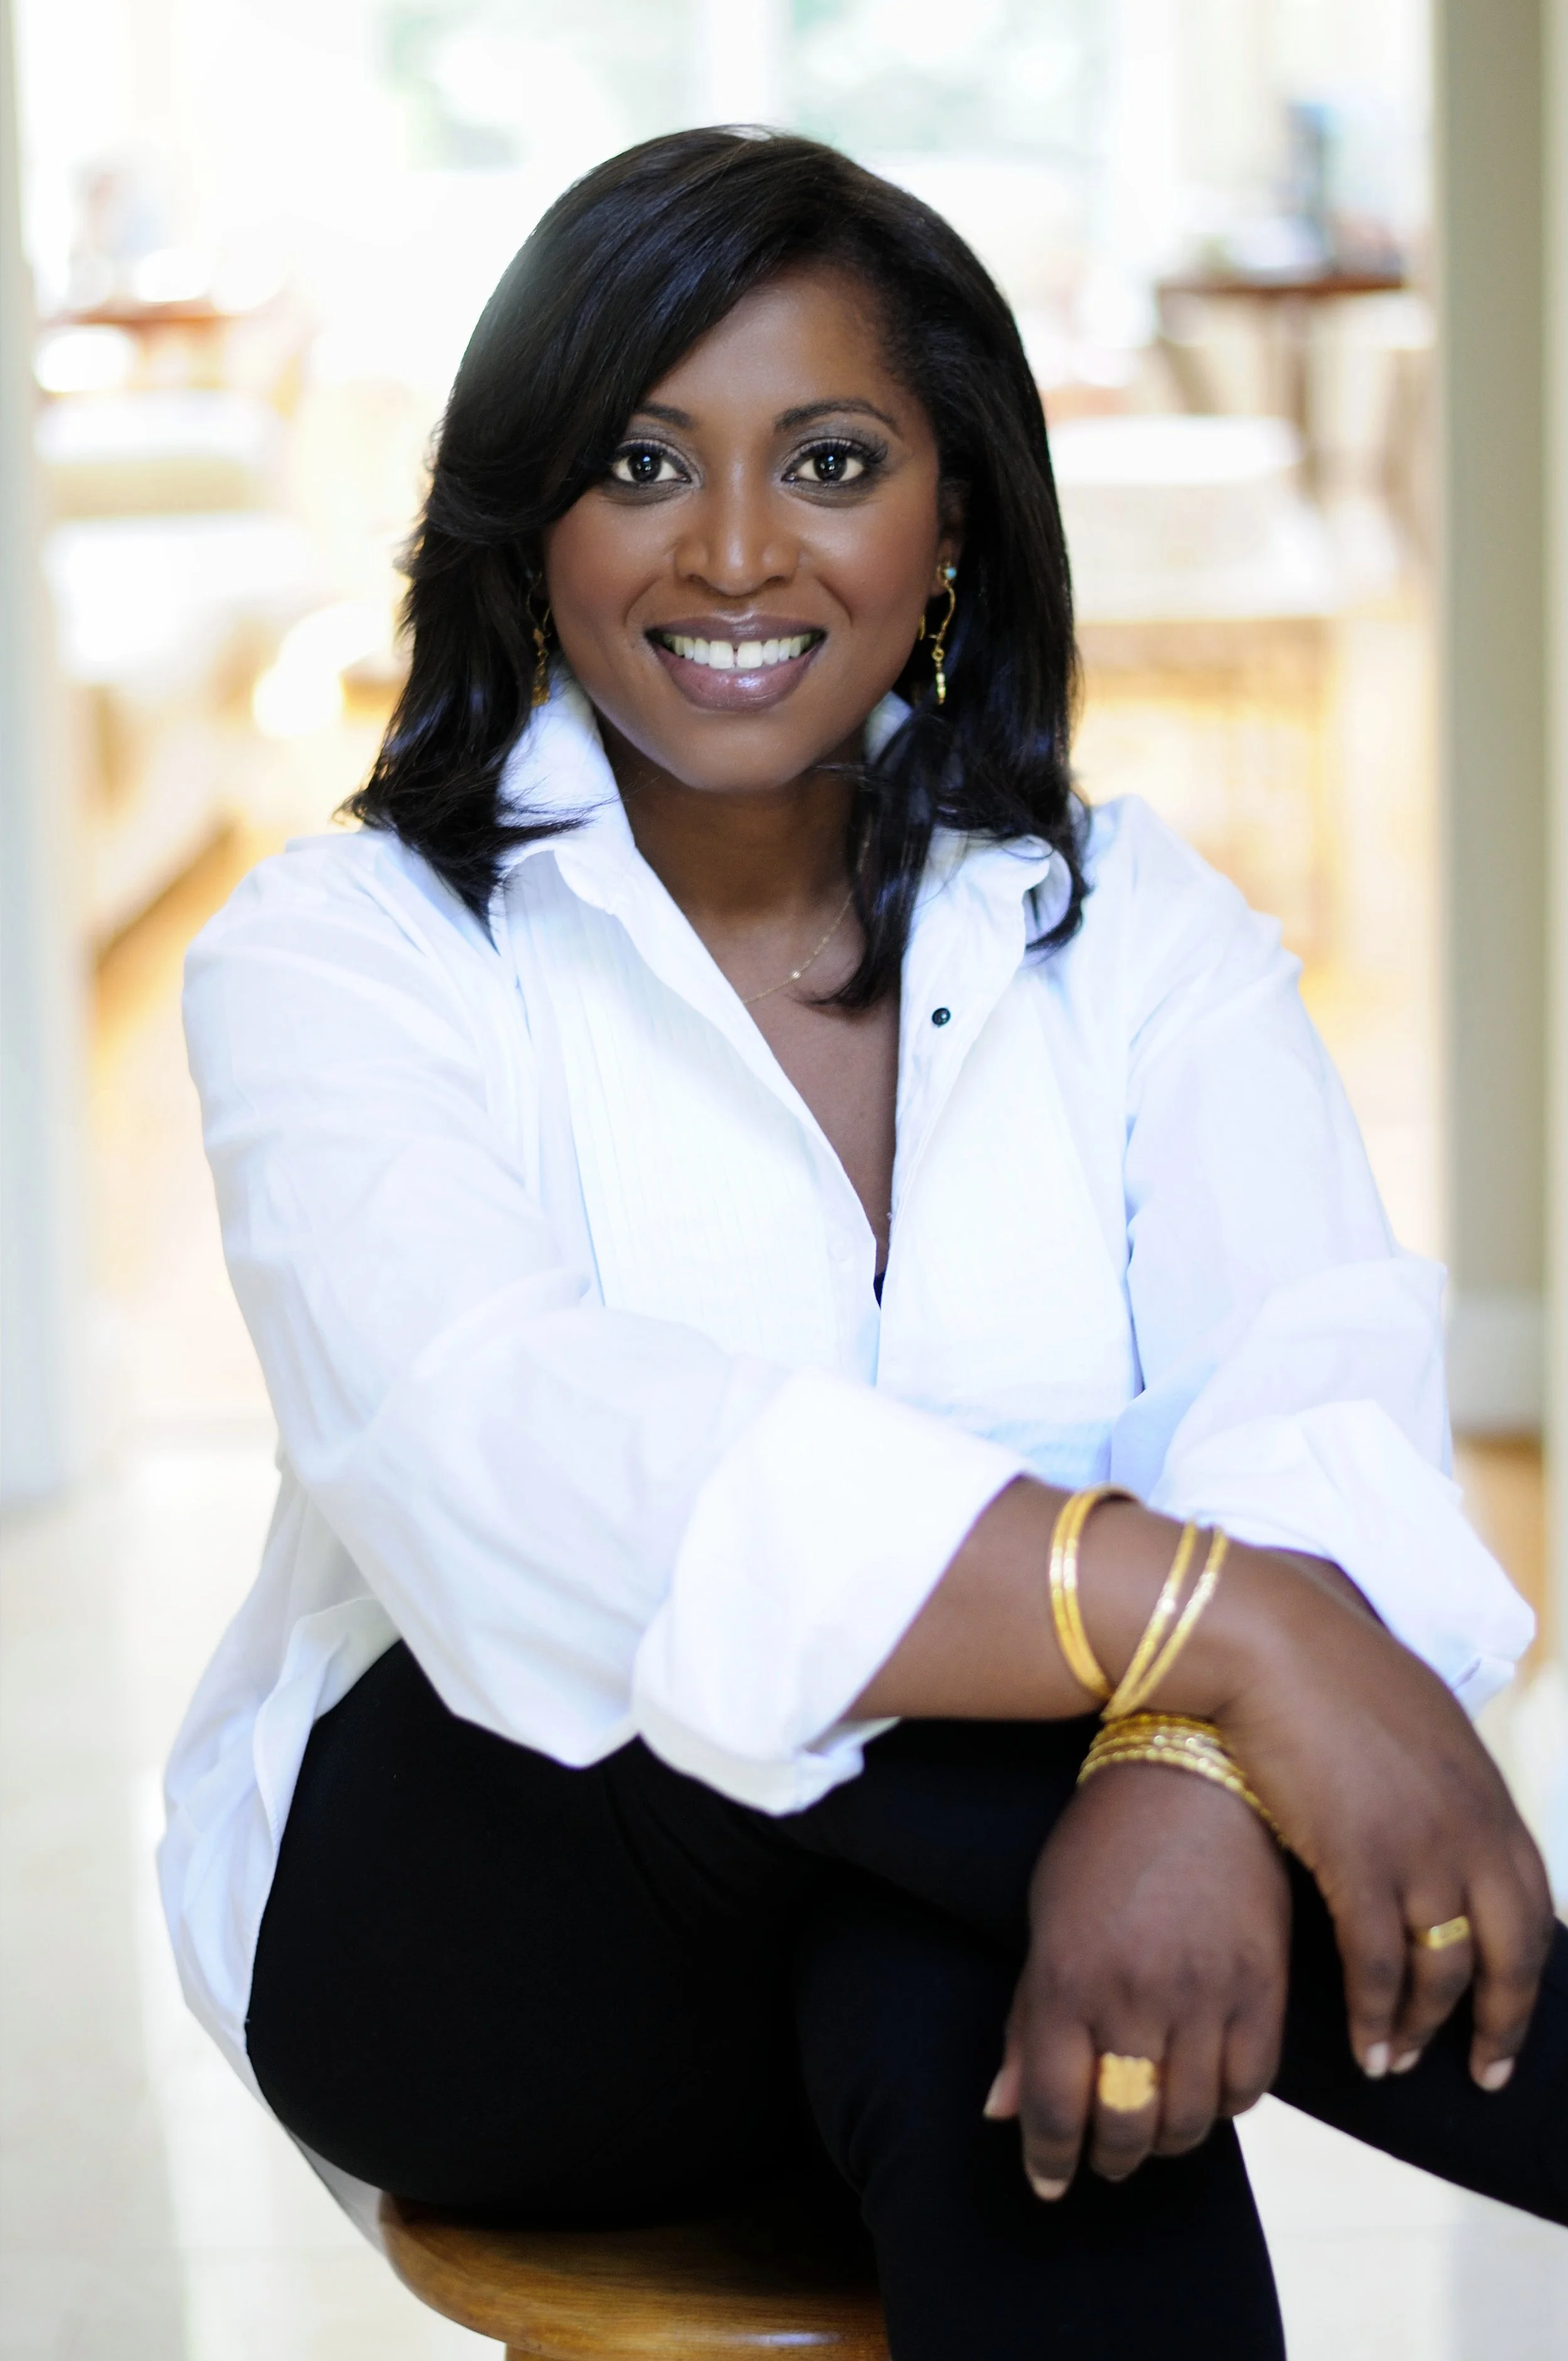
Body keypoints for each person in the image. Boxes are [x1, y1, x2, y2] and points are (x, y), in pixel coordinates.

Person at [162, 129, 1567, 2359]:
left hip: (939, 1915)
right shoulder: (343, 949)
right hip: (492, 1949)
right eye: (640, 461)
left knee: (974, 1996)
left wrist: (1190, 1758)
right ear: (530, 520)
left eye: (829, 461)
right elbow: (523, 1469)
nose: (733, 548)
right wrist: (1232, 1632)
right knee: (733, 1672)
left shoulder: (1132, 924)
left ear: (953, 519)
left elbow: (1316, 1368)